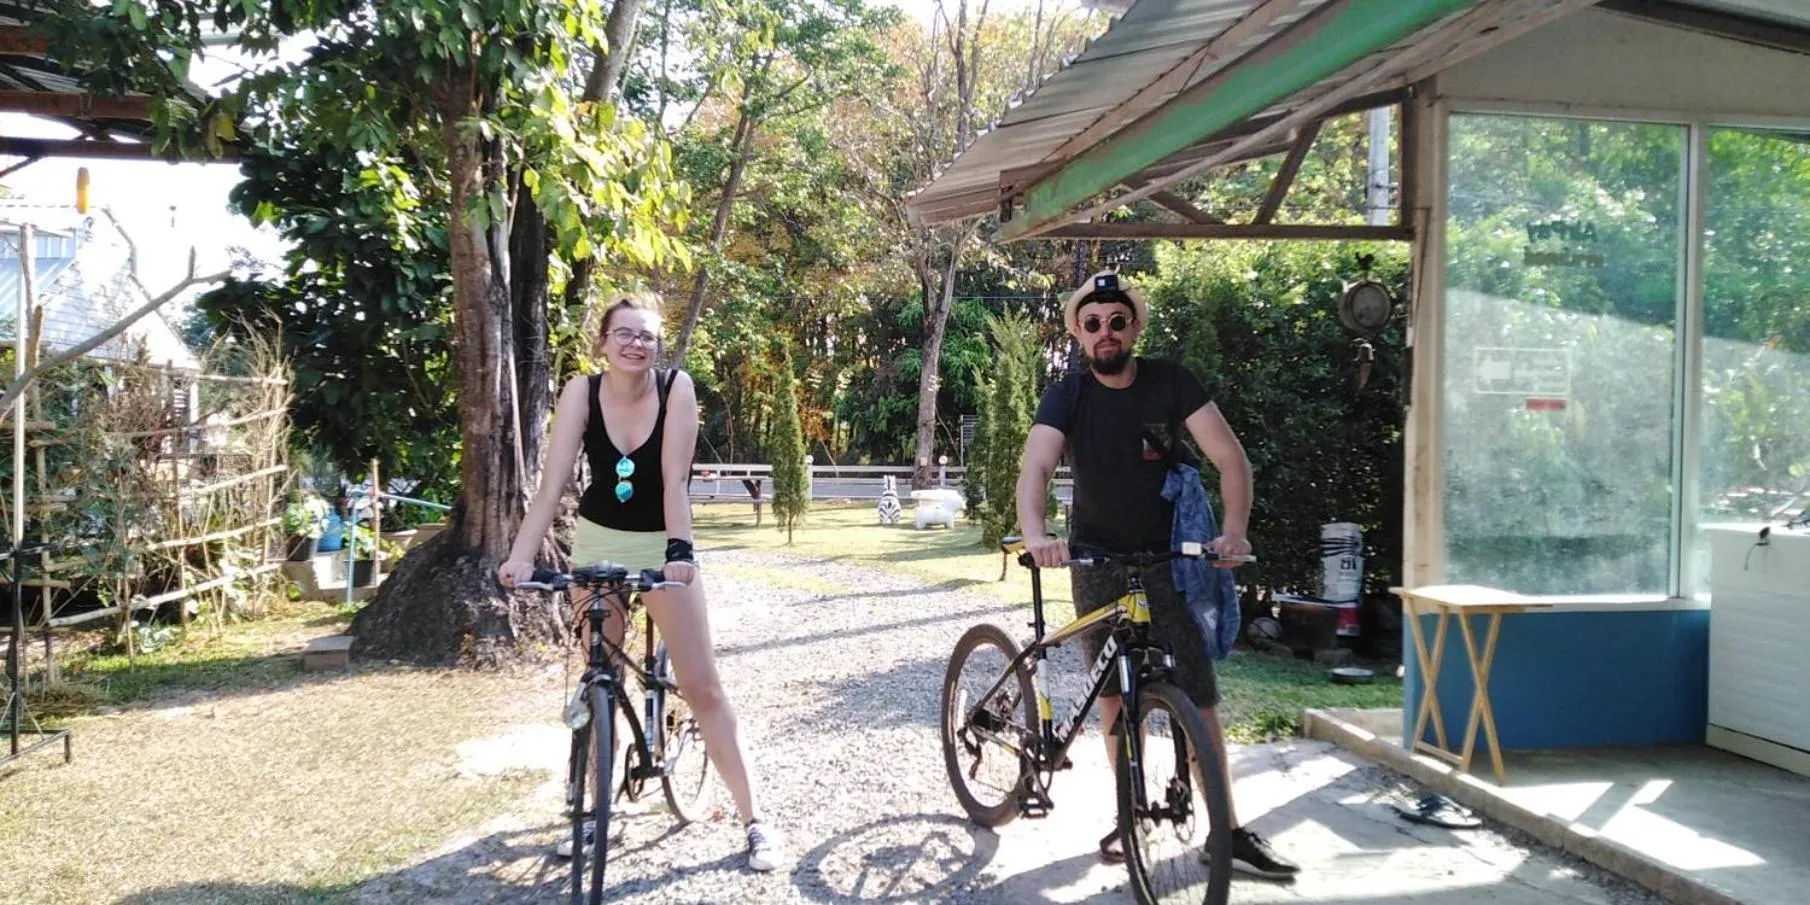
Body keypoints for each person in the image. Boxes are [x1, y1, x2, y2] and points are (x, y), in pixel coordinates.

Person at [1015, 270, 1299, 880]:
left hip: (1169, 558)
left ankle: (1225, 832)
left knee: (1196, 695)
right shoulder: (1067, 396)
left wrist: (1235, 531)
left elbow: (1230, 459)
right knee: (1115, 696)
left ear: (1135, 326)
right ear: (1079, 334)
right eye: (1092, 324)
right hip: (1095, 560)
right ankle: (1129, 811)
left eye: (1117, 320)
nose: (1105, 332)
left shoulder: (1172, 383)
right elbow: (1036, 467)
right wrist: (1038, 536)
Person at [497, 293, 785, 873]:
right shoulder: (580, 391)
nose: (635, 344)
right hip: (598, 540)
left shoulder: (676, 388)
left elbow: (674, 479)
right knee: (597, 674)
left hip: (660, 539)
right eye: (624, 334)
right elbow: (552, 482)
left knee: (703, 688)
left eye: (647, 336)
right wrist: (521, 556)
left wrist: (680, 553)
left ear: (658, 346)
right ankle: (588, 815)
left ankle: (755, 821)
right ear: (602, 342)